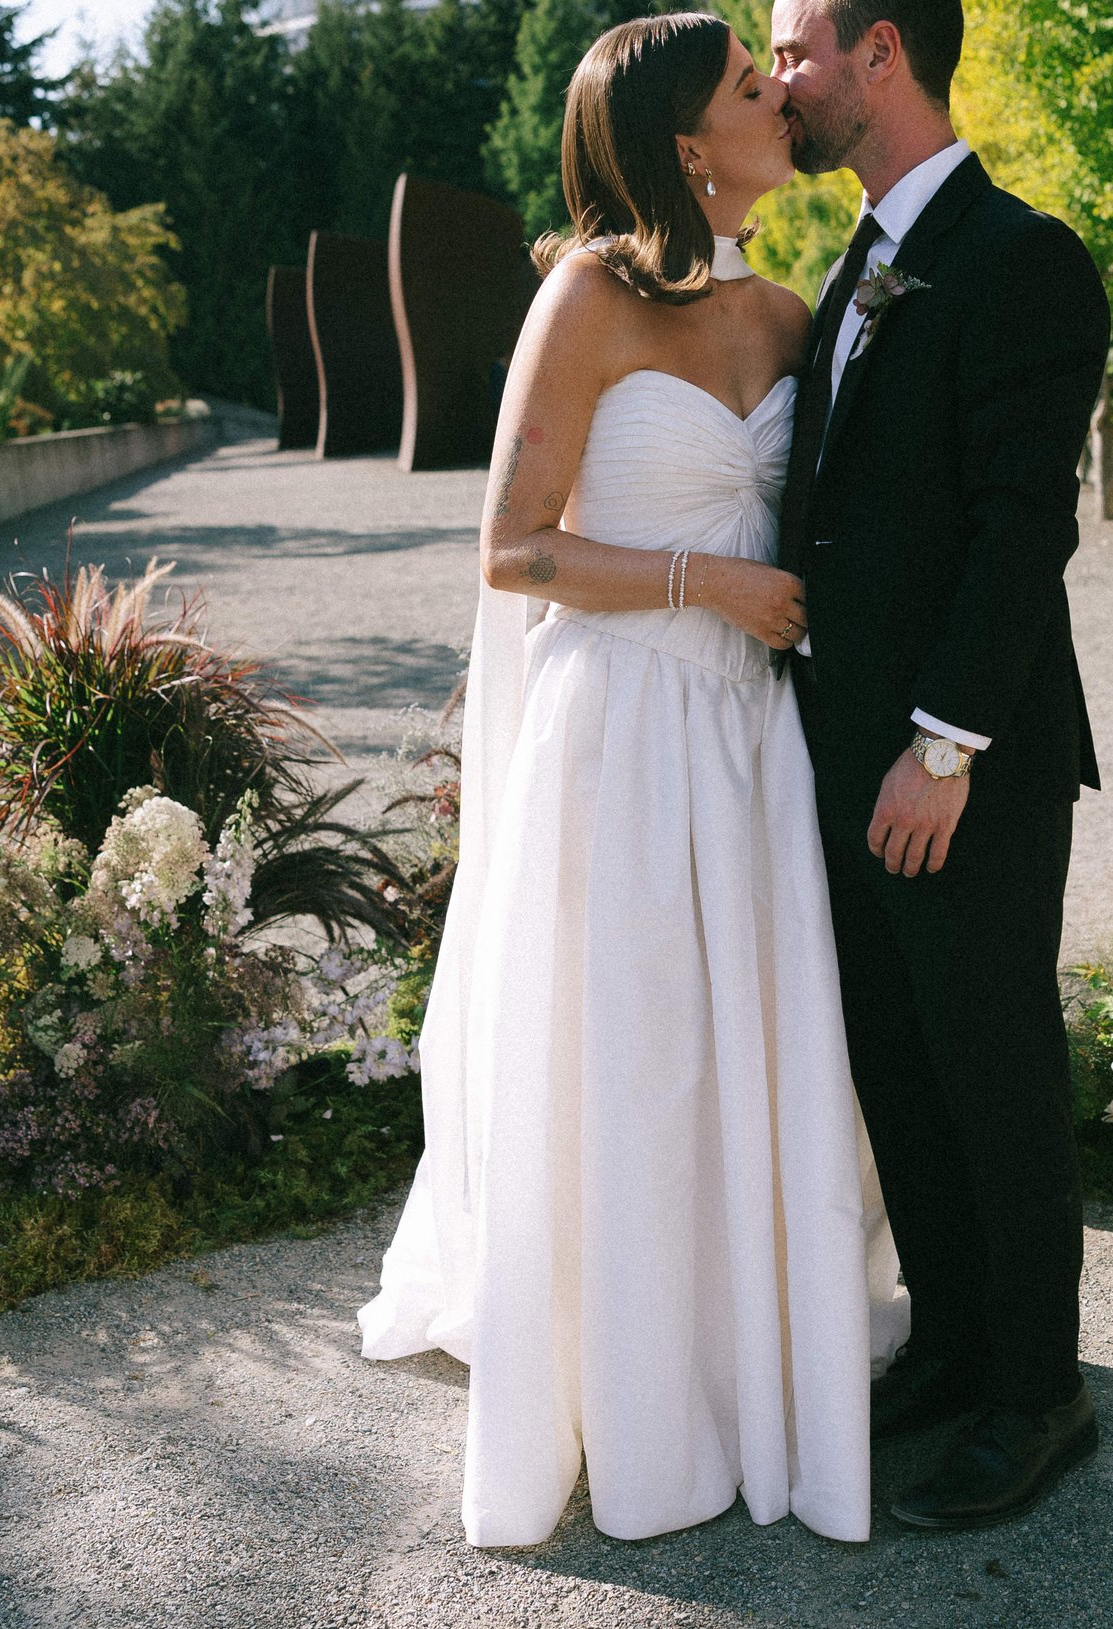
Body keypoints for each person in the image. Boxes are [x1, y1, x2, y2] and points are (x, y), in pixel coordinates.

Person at [356, 12, 907, 1549]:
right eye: (750, 88)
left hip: (752, 750)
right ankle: (635, 1390)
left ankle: (755, 1360)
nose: (779, 101)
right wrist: (703, 586)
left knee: (756, 1047)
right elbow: (512, 548)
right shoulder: (585, 296)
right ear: (683, 141)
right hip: (624, 741)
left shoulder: (799, 313)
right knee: (641, 1056)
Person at [769, 0, 1112, 1528]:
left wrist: (943, 746)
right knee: (899, 1073)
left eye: (793, 51)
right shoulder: (848, 265)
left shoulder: (1018, 256)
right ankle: (960, 1347)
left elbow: (1021, 525)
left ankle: (1041, 1396)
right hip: (841, 756)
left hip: (957, 766)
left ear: (881, 53)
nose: (778, 79)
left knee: (991, 1072)